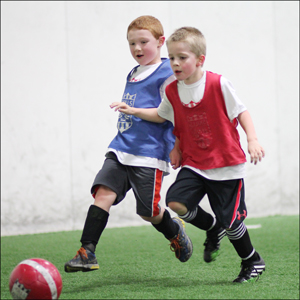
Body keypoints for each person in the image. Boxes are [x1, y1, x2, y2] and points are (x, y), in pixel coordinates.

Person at [110, 26, 266, 283]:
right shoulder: (172, 91)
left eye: (182, 57)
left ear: (200, 59)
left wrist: (252, 139)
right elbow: (165, 117)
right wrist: (171, 142)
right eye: (171, 57)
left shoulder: (218, 83)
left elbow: (242, 112)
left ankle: (251, 260)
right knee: (176, 203)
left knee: (232, 223)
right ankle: (212, 227)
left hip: (226, 165)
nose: (175, 63)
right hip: (195, 163)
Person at [64, 16, 196, 273]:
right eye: (132, 43)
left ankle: (174, 230)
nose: (137, 48)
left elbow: (167, 113)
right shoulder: (134, 72)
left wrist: (175, 144)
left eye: (143, 42)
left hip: (148, 154)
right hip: (120, 147)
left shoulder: (168, 73)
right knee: (103, 193)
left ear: (160, 42)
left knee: (149, 212)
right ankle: (87, 252)